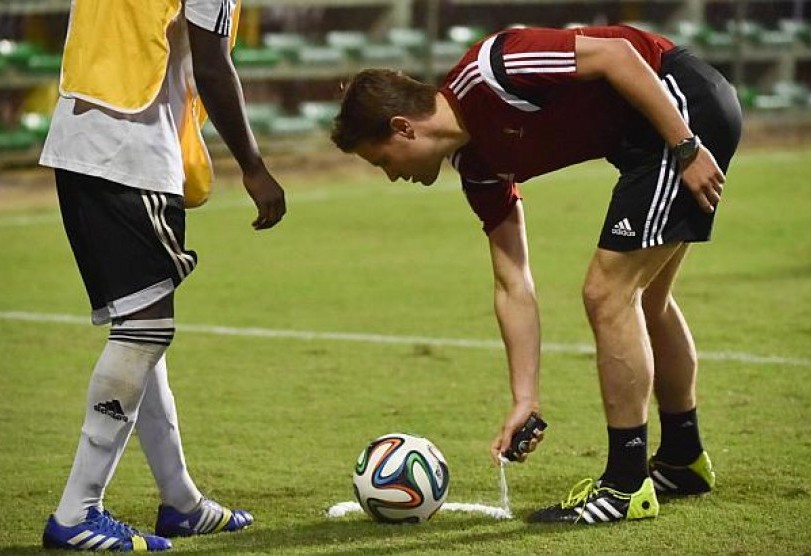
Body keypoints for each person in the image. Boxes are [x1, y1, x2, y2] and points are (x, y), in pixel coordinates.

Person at [331, 24, 741, 524]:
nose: (392, 175)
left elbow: (618, 55)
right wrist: (525, 397)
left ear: (403, 127)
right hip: (651, 141)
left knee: (606, 293)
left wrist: (684, 147)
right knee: (646, 298)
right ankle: (682, 461)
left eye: (382, 161)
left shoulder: (492, 71)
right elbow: (513, 281)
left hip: (679, 109)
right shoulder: (477, 165)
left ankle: (626, 486)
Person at [39, 0, 286, 550]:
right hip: (129, 147)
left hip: (81, 135)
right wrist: (253, 165)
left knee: (141, 327)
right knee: (145, 329)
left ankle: (181, 502)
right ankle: (78, 511)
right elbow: (212, 62)